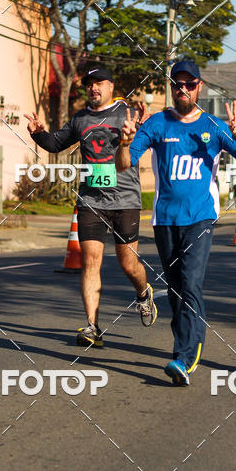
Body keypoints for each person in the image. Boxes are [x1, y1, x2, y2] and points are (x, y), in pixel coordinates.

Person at [115, 59, 236, 386]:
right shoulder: (156, 124)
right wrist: (124, 142)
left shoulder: (214, 125)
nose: (183, 89)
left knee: (191, 282)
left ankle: (184, 354)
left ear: (199, 87)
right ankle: (188, 344)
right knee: (178, 288)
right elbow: (124, 166)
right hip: (165, 220)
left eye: (189, 84)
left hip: (200, 218)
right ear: (171, 86)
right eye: (177, 84)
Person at [25, 65, 157, 348]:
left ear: (111, 87)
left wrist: (146, 125)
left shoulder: (126, 114)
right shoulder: (80, 119)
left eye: (99, 84)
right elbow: (56, 143)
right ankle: (92, 327)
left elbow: (146, 140)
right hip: (91, 201)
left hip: (125, 200)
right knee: (91, 262)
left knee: (127, 263)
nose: (93, 88)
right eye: (89, 85)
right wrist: (38, 133)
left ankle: (144, 293)